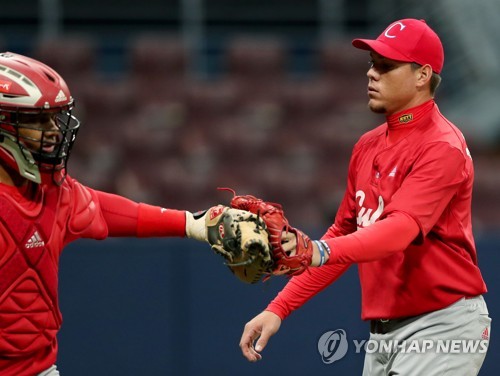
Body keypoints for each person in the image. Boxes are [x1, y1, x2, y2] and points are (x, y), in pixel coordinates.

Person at [239, 18, 491, 375]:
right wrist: (278, 308)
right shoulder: (367, 145)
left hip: (442, 324)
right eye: (372, 64)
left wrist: (317, 251)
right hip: (383, 335)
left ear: (422, 75)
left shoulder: (442, 147)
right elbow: (343, 234)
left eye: (386, 66)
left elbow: (398, 231)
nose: (372, 74)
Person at [0, 52, 214, 376]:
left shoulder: (53, 191)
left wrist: (190, 223)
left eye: (53, 119)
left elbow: (105, 209)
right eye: (35, 121)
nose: (54, 132)